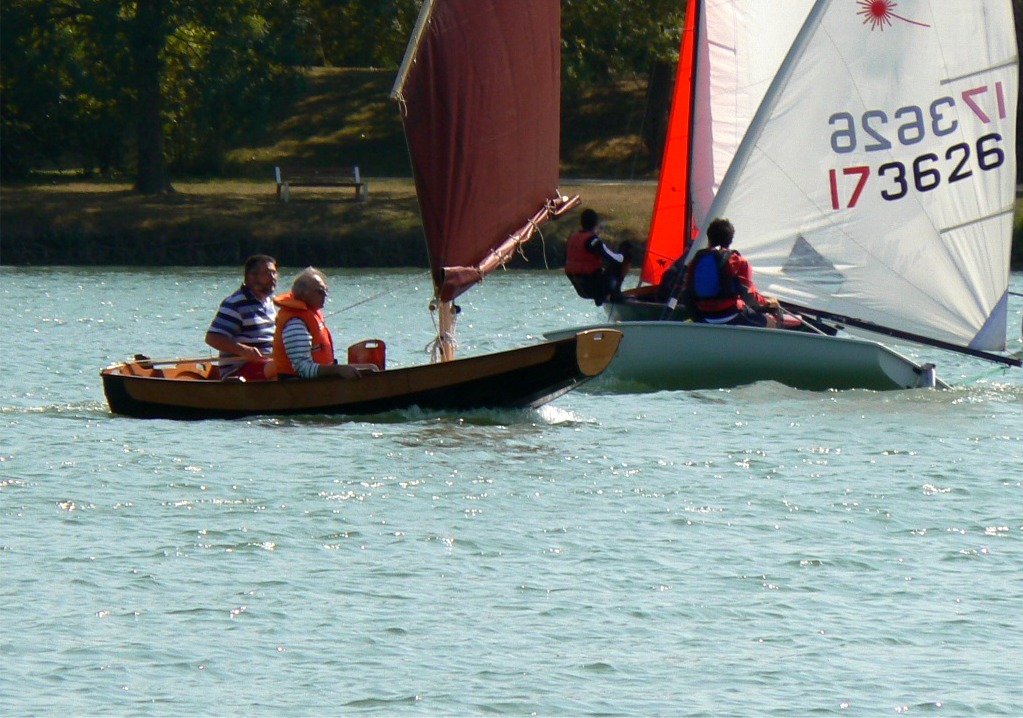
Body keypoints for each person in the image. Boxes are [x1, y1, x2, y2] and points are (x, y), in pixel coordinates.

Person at [272, 267, 379, 379]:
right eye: (320, 291)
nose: (325, 295)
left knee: (372, 368)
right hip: (298, 387)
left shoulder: (310, 314)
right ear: (303, 294)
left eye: (326, 290)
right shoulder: (295, 323)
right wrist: (338, 369)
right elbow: (303, 369)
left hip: (319, 383)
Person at [681, 217, 781, 327]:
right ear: (730, 240)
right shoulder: (737, 260)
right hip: (730, 313)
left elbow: (688, 291)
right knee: (771, 322)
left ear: (709, 238)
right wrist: (768, 303)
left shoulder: (696, 260)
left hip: (704, 316)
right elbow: (749, 295)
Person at [205, 254, 278, 380]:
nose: (273, 278)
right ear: (250, 278)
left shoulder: (269, 302)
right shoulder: (235, 303)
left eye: (274, 273)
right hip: (238, 371)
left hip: (268, 365)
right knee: (284, 365)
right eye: (267, 273)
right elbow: (212, 338)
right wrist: (244, 350)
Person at [564, 208, 633, 306]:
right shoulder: (593, 241)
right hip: (593, 287)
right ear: (596, 223)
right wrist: (624, 254)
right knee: (625, 254)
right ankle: (614, 294)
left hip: (580, 287)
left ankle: (602, 296)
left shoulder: (572, 238)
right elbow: (613, 258)